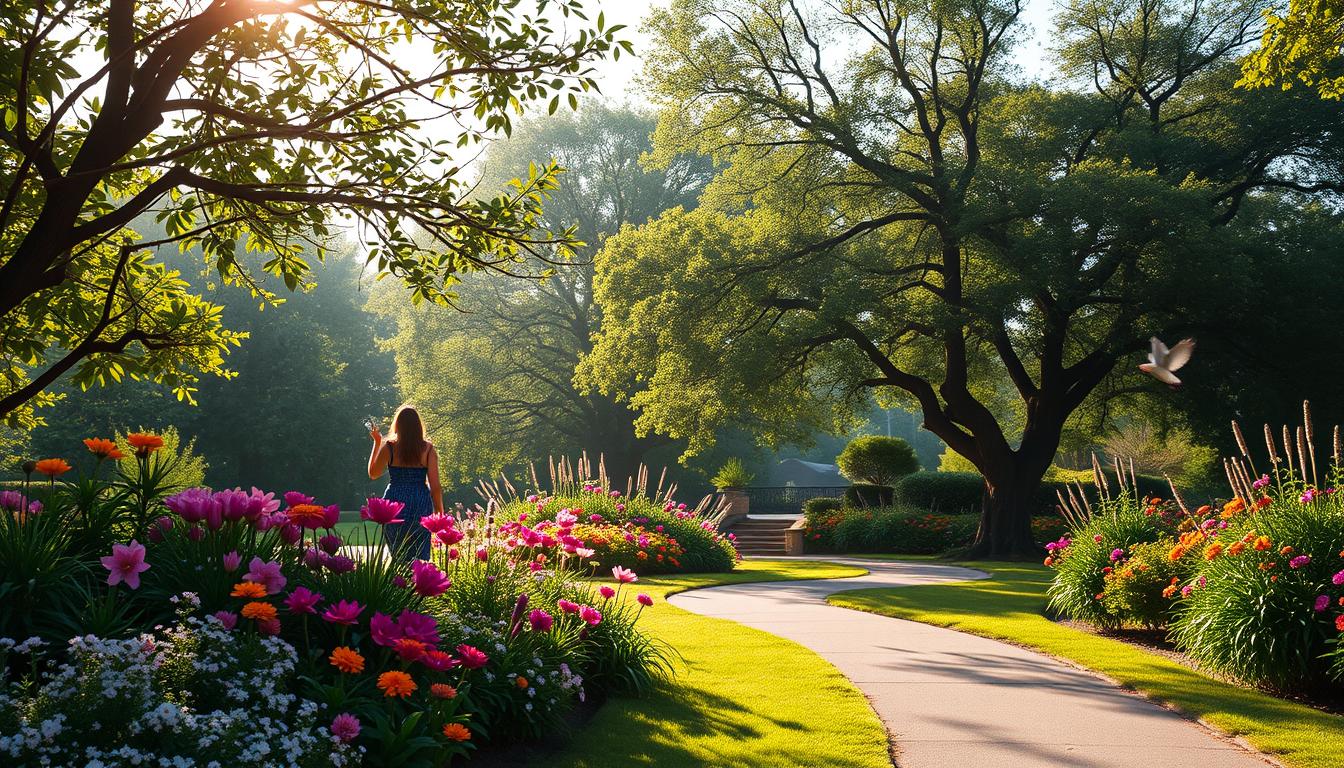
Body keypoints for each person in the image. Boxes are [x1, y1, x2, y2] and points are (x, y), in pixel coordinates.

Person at [367, 404, 443, 560]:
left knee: (398, 554)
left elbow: (373, 474)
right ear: (418, 427)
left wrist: (377, 442)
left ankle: (398, 582)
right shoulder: (428, 450)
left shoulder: (389, 448)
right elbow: (435, 487)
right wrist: (440, 513)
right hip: (420, 501)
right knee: (419, 554)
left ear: (398, 425)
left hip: (394, 502)